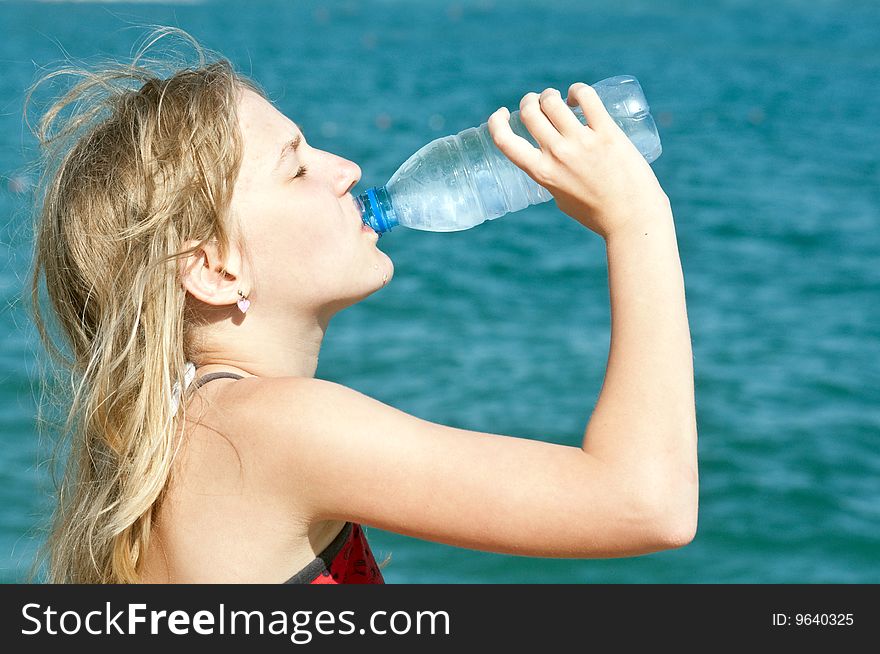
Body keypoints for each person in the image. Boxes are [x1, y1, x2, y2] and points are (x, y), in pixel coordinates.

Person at [29, 29, 698, 584]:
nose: (346, 168)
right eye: (297, 168)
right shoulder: (269, 428)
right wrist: (638, 221)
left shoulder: (194, 431)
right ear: (212, 268)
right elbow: (646, 503)